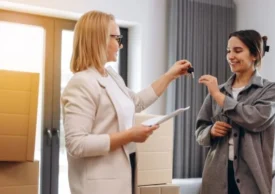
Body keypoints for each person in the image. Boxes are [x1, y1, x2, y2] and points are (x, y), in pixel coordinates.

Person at [61, 10, 191, 194]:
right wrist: (129, 136)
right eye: (116, 38)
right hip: (96, 186)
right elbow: (76, 144)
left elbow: (136, 102)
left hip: (121, 176)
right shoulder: (82, 83)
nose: (120, 45)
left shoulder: (111, 76)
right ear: (99, 40)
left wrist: (170, 76)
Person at [195, 30, 275, 194]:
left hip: (252, 179)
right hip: (215, 177)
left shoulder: (271, 91)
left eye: (237, 51)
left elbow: (255, 119)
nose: (230, 56)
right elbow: (200, 131)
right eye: (228, 51)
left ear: (254, 55)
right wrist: (210, 131)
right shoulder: (219, 91)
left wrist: (217, 96)